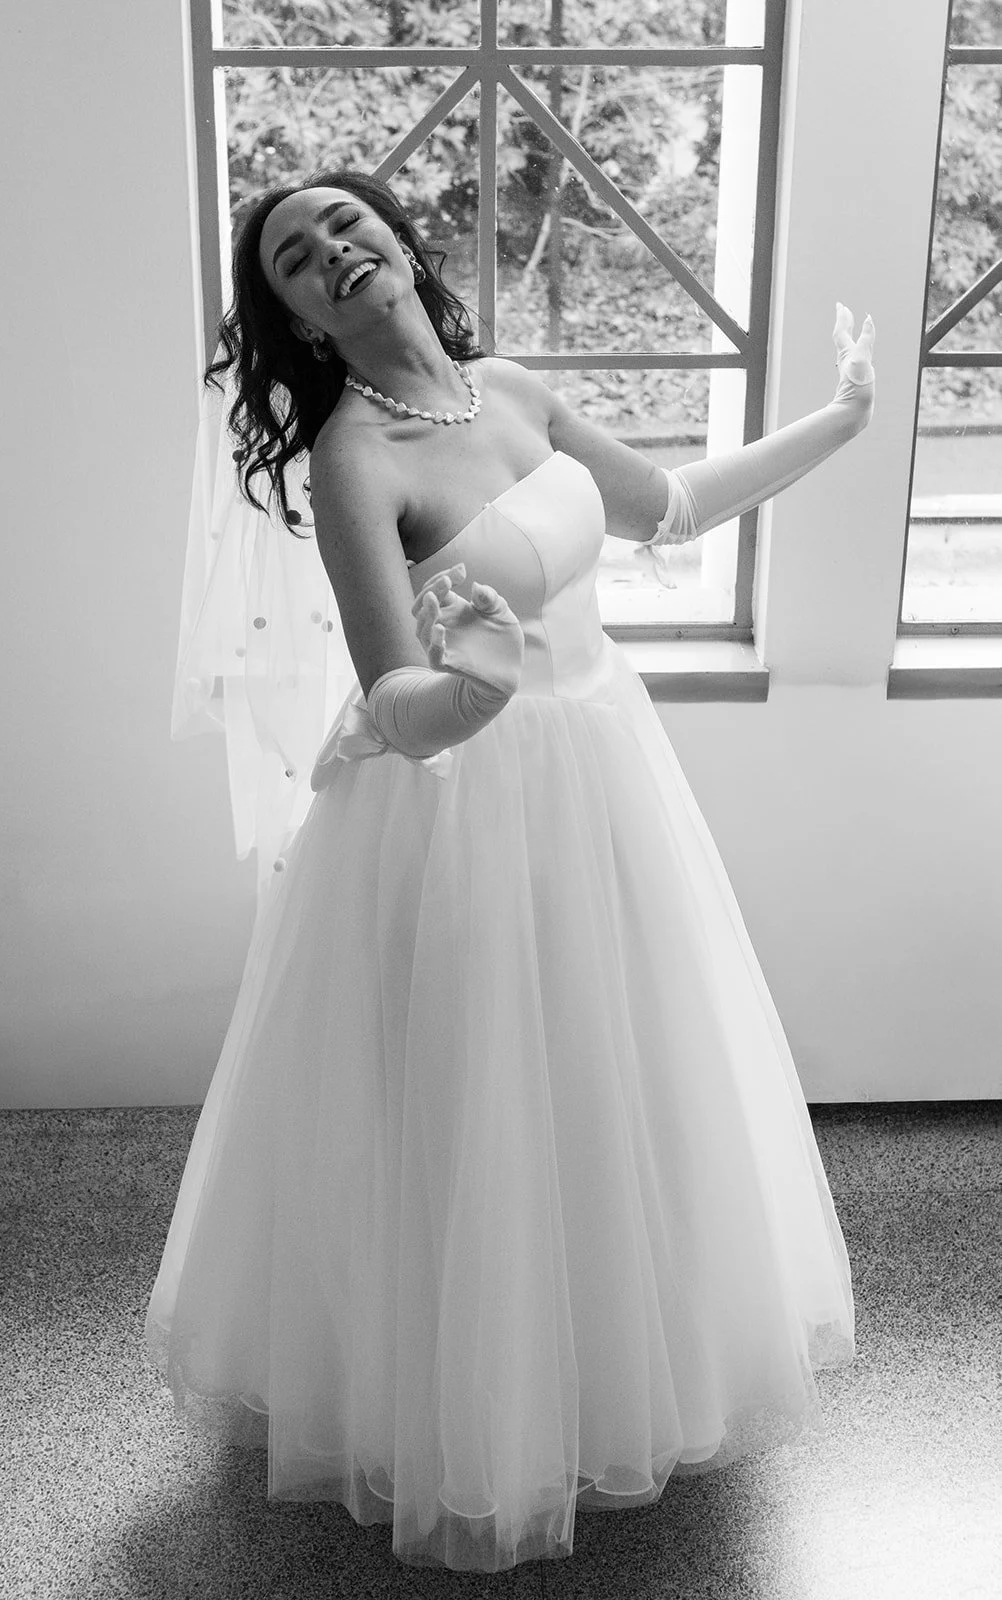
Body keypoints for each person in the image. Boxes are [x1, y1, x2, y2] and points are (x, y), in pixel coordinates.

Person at [146, 166, 875, 1574]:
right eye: (296, 258)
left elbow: (666, 506)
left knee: (618, 1071)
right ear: (294, 320)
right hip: (461, 811)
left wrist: (835, 423)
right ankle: (472, 1402)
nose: (332, 252)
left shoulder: (517, 387)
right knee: (476, 1099)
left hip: (599, 770)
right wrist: (471, 686)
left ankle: (614, 1361)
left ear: (396, 237)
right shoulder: (353, 460)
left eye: (343, 223)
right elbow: (398, 707)